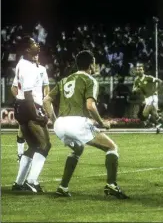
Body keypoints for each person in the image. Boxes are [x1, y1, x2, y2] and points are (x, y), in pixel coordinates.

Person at [42, 50, 129, 199]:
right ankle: (111, 185)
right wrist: (102, 123)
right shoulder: (89, 80)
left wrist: (55, 120)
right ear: (91, 64)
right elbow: (90, 106)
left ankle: (63, 187)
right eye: (94, 63)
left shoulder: (65, 80)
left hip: (60, 124)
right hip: (76, 123)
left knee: (78, 149)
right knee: (112, 147)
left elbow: (46, 100)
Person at [11, 36, 52, 193]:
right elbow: (28, 93)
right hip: (30, 105)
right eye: (34, 43)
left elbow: (18, 89)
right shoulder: (29, 67)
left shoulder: (21, 64)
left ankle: (19, 183)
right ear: (28, 49)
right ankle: (32, 181)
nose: (38, 45)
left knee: (34, 146)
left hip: (22, 107)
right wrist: (36, 114)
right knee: (44, 145)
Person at [12, 55, 49, 163]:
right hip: (27, 103)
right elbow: (14, 87)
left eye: (37, 55)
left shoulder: (42, 69)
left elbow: (46, 85)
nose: (36, 57)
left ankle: (31, 153)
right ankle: (21, 154)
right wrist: (21, 99)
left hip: (38, 104)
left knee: (40, 131)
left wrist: (45, 97)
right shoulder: (24, 69)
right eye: (33, 55)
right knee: (23, 130)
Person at [132, 63, 163, 135]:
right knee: (155, 114)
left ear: (143, 70)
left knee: (144, 113)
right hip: (147, 99)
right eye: (137, 70)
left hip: (152, 98)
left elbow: (160, 81)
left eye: (140, 69)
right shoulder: (136, 80)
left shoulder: (148, 78)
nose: (139, 71)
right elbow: (133, 89)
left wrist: (156, 90)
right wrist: (136, 89)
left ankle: (158, 125)